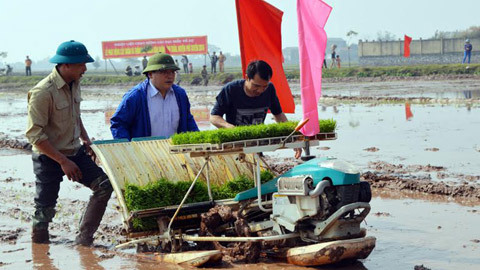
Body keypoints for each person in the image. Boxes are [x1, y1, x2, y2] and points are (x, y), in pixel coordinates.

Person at [25, 40, 113, 245]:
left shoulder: (75, 83)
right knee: (44, 209)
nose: (85, 69)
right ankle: (40, 253)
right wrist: (63, 161)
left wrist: (86, 140)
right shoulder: (42, 92)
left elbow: (75, 115)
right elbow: (35, 136)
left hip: (75, 151)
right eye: (81, 64)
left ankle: (84, 241)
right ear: (65, 65)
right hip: (49, 156)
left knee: (104, 186)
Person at [210, 60, 301, 158]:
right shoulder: (231, 90)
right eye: (256, 86)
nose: (260, 90)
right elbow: (214, 117)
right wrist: (229, 127)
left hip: (257, 146)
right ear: (247, 78)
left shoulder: (270, 89)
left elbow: (278, 115)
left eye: (264, 86)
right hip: (235, 147)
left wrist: (292, 139)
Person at [110, 52, 199, 140]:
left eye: (172, 72)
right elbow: (118, 124)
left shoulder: (180, 95)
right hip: (144, 152)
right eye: (164, 72)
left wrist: (199, 141)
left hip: (174, 152)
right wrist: (128, 149)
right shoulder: (136, 96)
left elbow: (188, 121)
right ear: (150, 74)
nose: (170, 76)